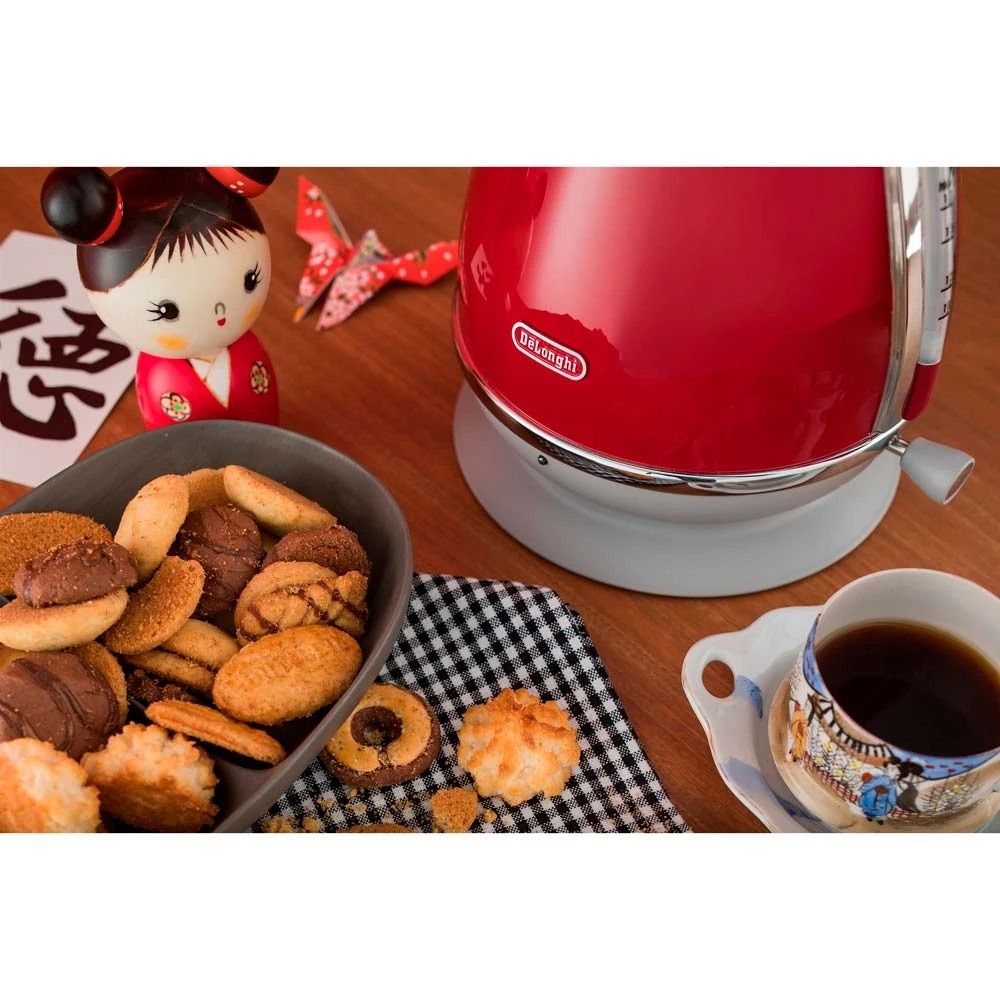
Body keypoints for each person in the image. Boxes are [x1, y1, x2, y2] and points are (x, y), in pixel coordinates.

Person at [41, 167, 280, 429]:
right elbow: (165, 441)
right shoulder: (160, 375)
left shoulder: (243, 347)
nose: (220, 314)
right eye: (167, 311)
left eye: (250, 280)